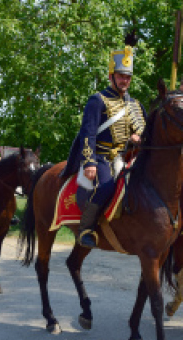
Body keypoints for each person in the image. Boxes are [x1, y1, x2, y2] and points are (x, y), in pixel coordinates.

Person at [61, 35, 146, 248]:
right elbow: (87, 133)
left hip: (126, 157)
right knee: (107, 186)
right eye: (120, 75)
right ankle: (86, 228)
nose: (124, 80)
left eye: (127, 76)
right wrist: (89, 162)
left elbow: (144, 134)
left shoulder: (136, 105)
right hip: (101, 156)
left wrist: (138, 139)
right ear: (111, 76)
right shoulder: (97, 100)